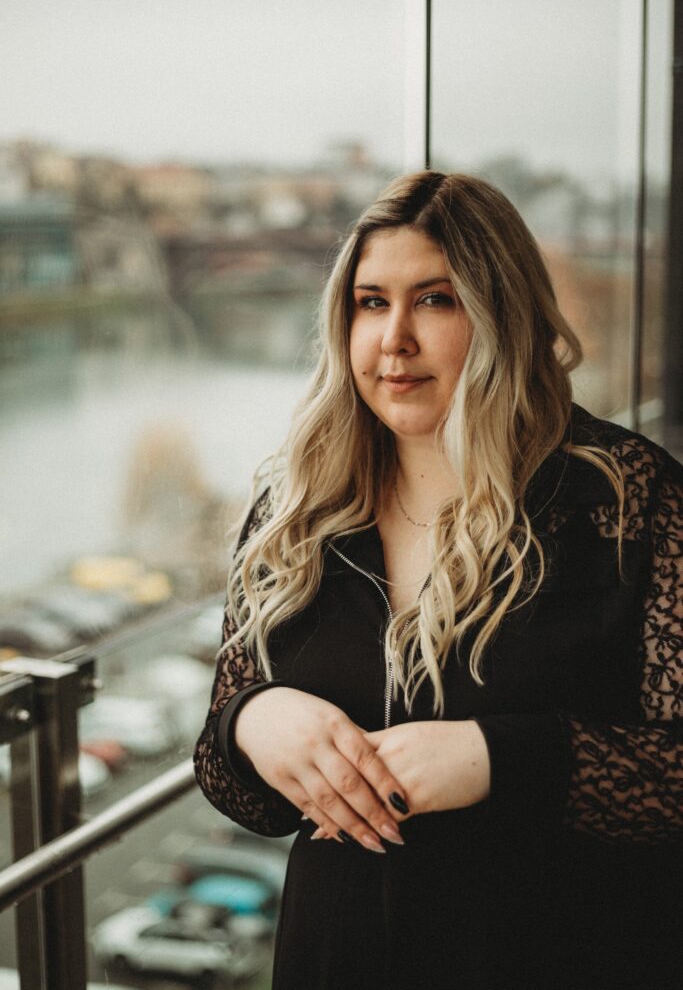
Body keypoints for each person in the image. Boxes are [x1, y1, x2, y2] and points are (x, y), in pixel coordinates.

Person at [194, 172, 681, 990]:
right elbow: (239, 791)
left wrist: (499, 759)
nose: (394, 340)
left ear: (502, 314)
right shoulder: (298, 505)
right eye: (370, 303)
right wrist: (252, 722)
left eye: (434, 300)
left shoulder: (628, 499)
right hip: (336, 960)